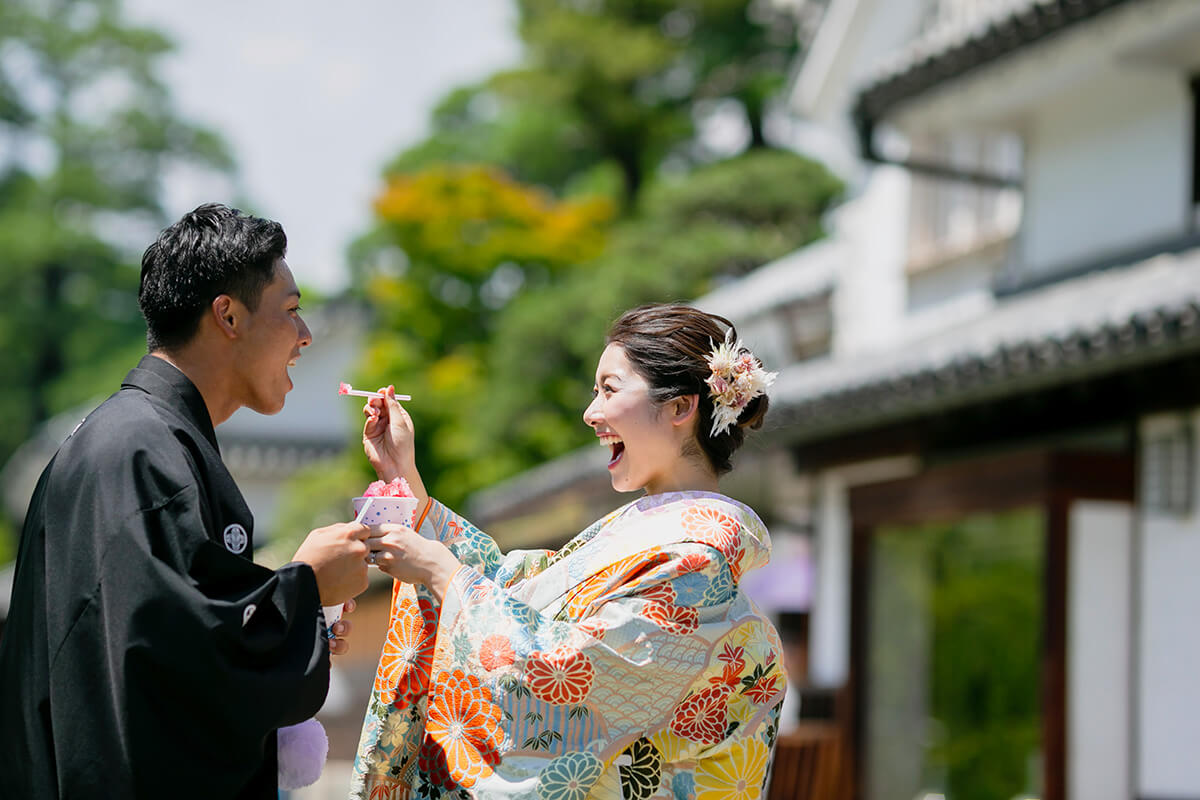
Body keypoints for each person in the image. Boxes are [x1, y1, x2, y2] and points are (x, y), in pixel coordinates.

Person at [0, 204, 374, 799]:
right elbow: (177, 660)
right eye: (293, 311)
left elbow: (166, 621)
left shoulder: (138, 439)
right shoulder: (143, 450)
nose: (306, 336)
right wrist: (303, 589)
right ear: (228, 315)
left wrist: (298, 609)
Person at [351, 303, 786, 799]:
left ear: (680, 408)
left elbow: (567, 675)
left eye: (609, 389)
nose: (590, 412)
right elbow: (514, 591)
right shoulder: (650, 538)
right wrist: (406, 478)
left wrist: (445, 576)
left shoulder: (695, 563)